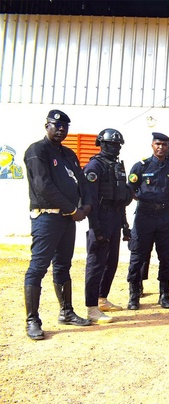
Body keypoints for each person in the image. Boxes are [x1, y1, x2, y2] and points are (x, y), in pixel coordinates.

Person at [23, 109, 92, 340]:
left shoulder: (68, 154)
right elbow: (43, 186)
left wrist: (86, 206)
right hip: (47, 218)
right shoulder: (37, 150)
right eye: (57, 125)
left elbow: (81, 182)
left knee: (63, 266)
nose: (61, 129)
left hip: (67, 220)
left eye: (65, 126)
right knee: (38, 268)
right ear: (47, 126)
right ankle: (32, 320)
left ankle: (67, 312)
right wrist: (73, 209)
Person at [83, 128, 133, 323]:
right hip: (100, 218)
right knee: (96, 263)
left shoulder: (117, 166)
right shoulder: (95, 166)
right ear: (101, 144)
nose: (115, 148)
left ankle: (102, 299)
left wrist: (125, 224)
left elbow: (120, 199)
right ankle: (91, 308)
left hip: (115, 216)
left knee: (111, 261)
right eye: (111, 144)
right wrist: (96, 228)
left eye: (117, 144)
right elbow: (90, 200)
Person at [126, 132, 169, 310]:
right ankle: (134, 295)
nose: (161, 147)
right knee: (137, 255)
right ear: (152, 145)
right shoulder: (141, 166)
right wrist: (147, 201)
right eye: (158, 144)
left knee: (165, 256)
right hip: (144, 216)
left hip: (164, 217)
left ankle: (164, 294)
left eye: (164, 145)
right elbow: (131, 190)